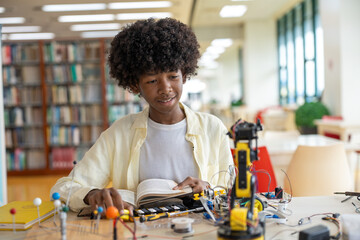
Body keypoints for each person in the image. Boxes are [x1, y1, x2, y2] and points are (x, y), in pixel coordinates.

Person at [50, 18, 233, 214]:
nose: (165, 89)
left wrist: (209, 190)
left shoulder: (212, 128)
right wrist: (91, 194)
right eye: (152, 80)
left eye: (173, 76)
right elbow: (63, 188)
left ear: (185, 74)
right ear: (135, 86)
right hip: (139, 230)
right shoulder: (120, 133)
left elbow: (233, 193)